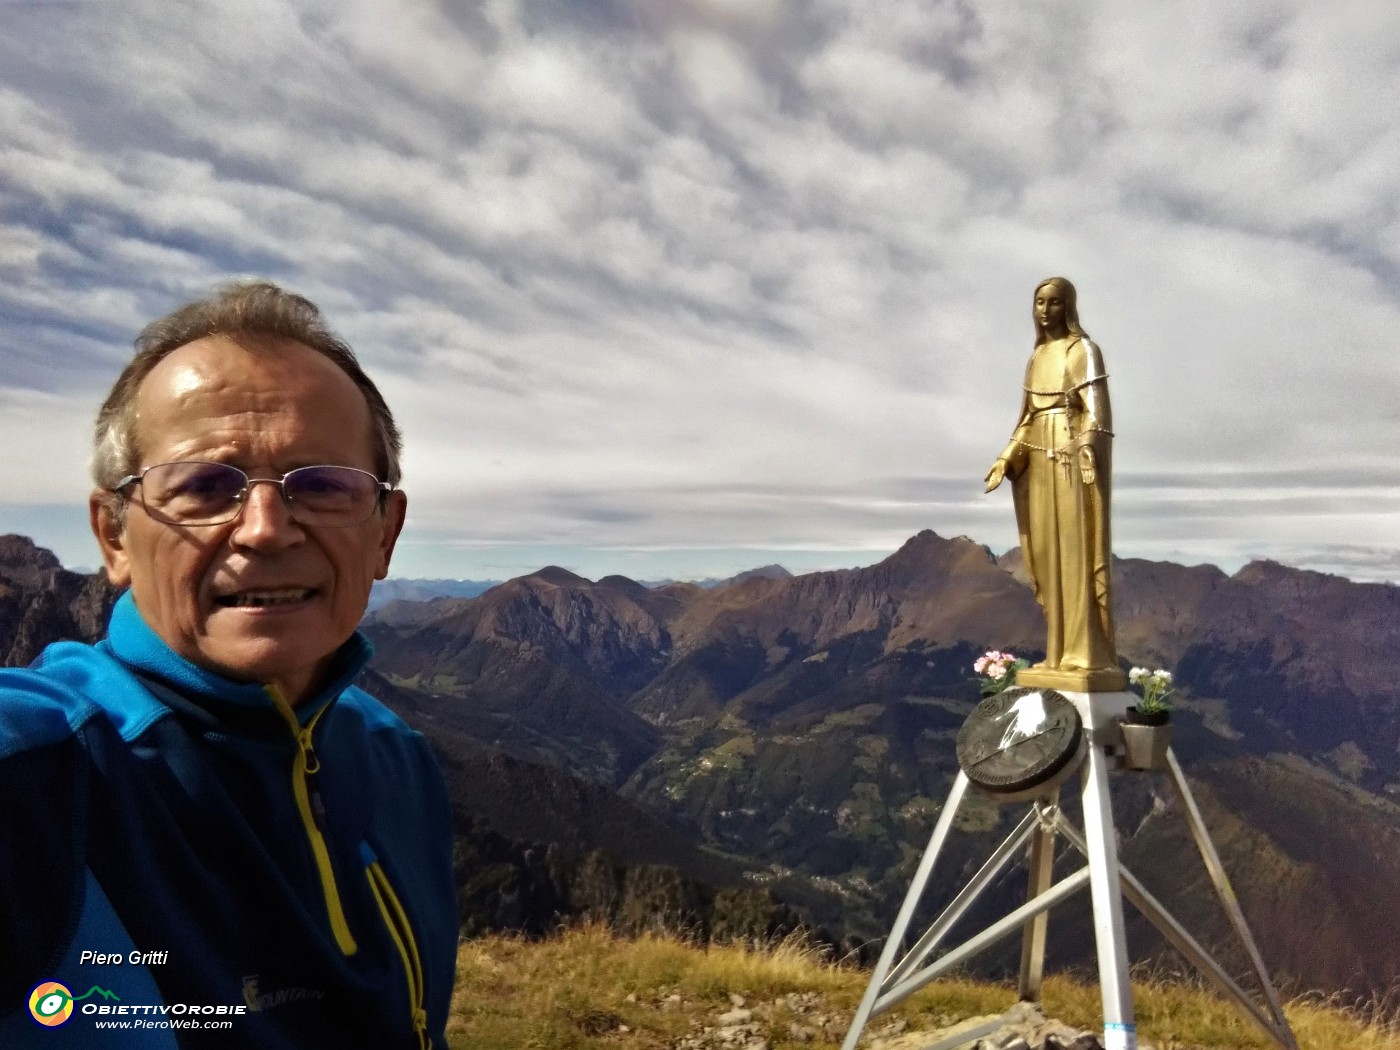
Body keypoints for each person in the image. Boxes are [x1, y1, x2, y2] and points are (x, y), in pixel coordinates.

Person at [0, 282, 457, 1047]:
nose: (266, 529)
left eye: (324, 486)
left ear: (384, 534)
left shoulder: (396, 757)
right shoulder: (36, 781)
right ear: (114, 536)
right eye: (206, 486)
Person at [984, 277, 1126, 691]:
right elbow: (1027, 419)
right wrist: (1006, 457)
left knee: (1075, 553)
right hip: (1039, 465)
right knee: (1046, 556)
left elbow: (1096, 414)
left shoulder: (1082, 351)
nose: (1045, 310)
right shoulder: (1036, 358)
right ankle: (1057, 651)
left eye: (1055, 303)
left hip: (1070, 458)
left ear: (1069, 307)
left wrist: (1086, 449)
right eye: (1039, 302)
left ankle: (1084, 655)